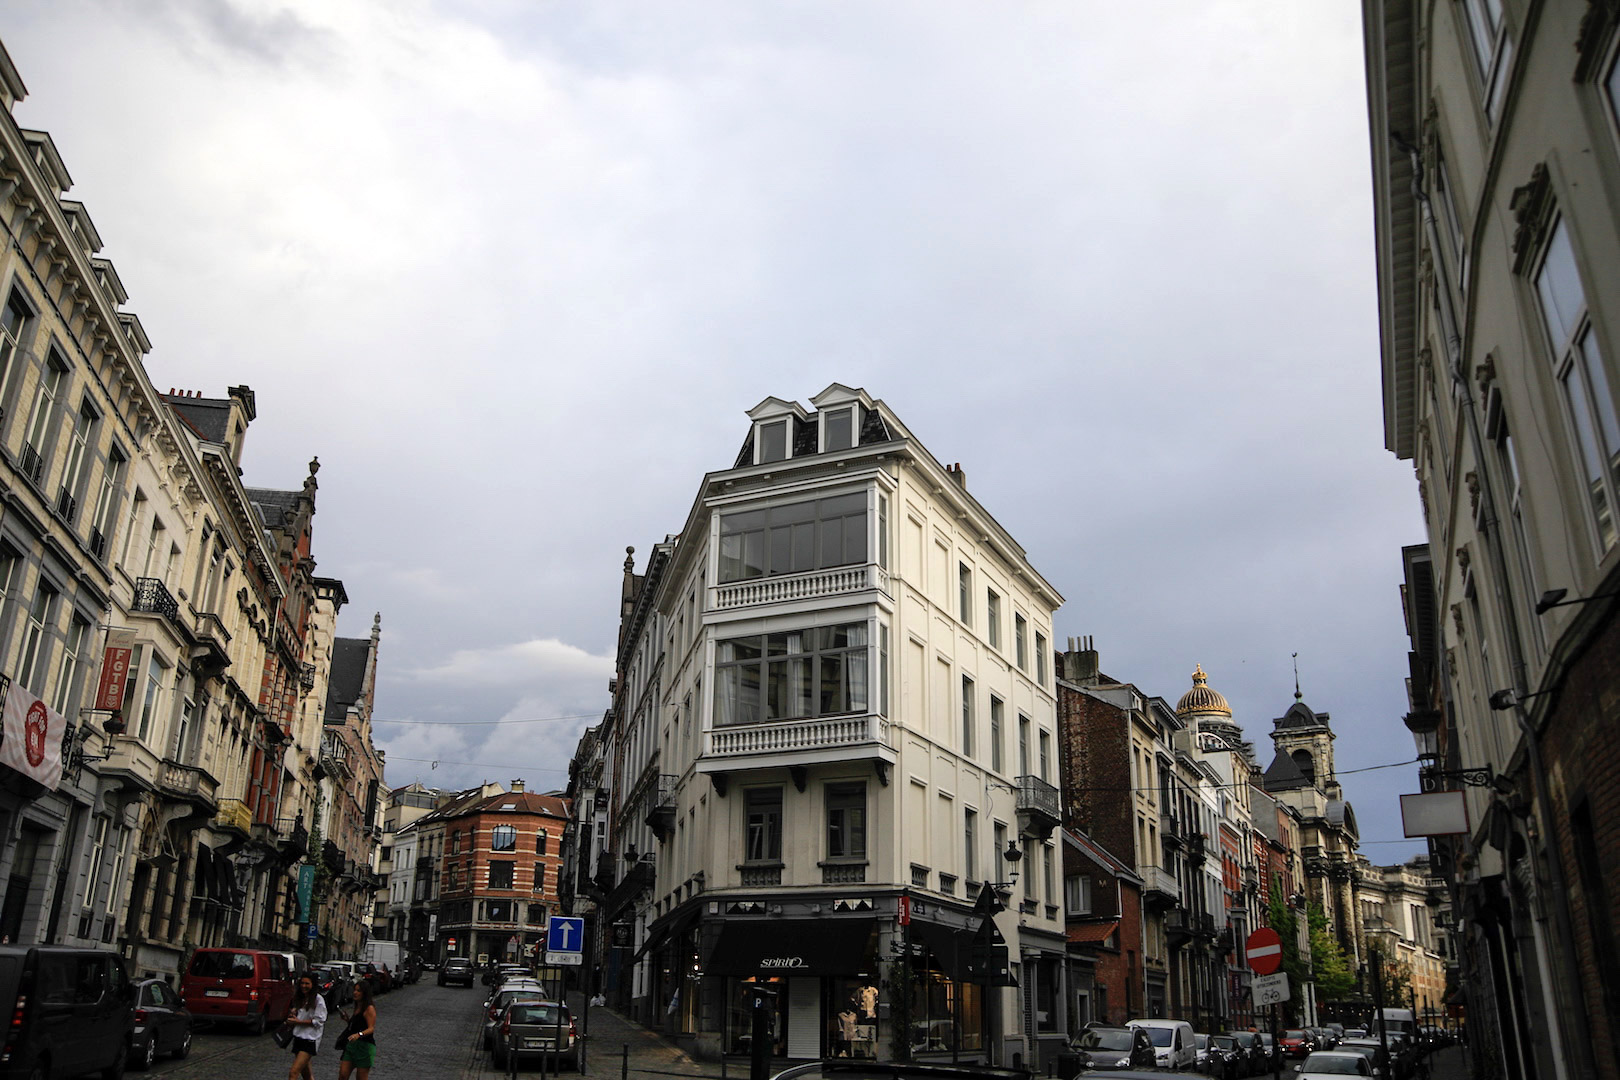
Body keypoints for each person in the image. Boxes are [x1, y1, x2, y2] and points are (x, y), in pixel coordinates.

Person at [286, 974, 327, 1080]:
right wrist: (293, 1017)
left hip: (310, 1040)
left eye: (307, 983)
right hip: (298, 1037)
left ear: (313, 985)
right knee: (307, 1075)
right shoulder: (300, 998)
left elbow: (319, 1021)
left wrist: (298, 1022)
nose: (304, 986)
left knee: (293, 1073)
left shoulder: (318, 1000)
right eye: (302, 983)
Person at [336, 980, 379, 1080]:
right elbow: (356, 1026)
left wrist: (359, 1034)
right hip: (352, 1046)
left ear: (364, 993)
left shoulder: (369, 1008)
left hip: (364, 1047)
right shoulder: (357, 1007)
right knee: (342, 1075)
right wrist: (347, 1020)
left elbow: (371, 1028)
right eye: (354, 990)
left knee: (361, 1077)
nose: (355, 993)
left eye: (358, 991)